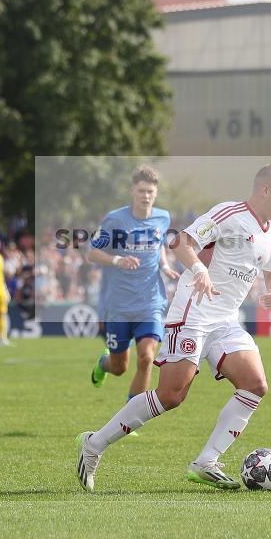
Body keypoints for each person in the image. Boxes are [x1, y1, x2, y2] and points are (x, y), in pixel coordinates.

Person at [76, 164, 271, 492]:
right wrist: (199, 270)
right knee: (171, 395)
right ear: (265, 190)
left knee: (255, 385)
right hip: (193, 313)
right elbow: (181, 243)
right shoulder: (229, 213)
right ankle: (94, 444)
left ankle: (206, 461)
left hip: (225, 320)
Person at [86, 165, 180, 408]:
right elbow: (92, 254)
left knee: (147, 357)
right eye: (141, 191)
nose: (145, 196)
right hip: (118, 305)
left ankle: (131, 416)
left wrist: (165, 264)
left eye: (150, 191)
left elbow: (159, 242)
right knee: (119, 367)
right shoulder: (115, 220)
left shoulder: (163, 217)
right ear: (132, 191)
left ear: (156, 193)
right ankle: (103, 364)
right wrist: (118, 260)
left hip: (150, 302)